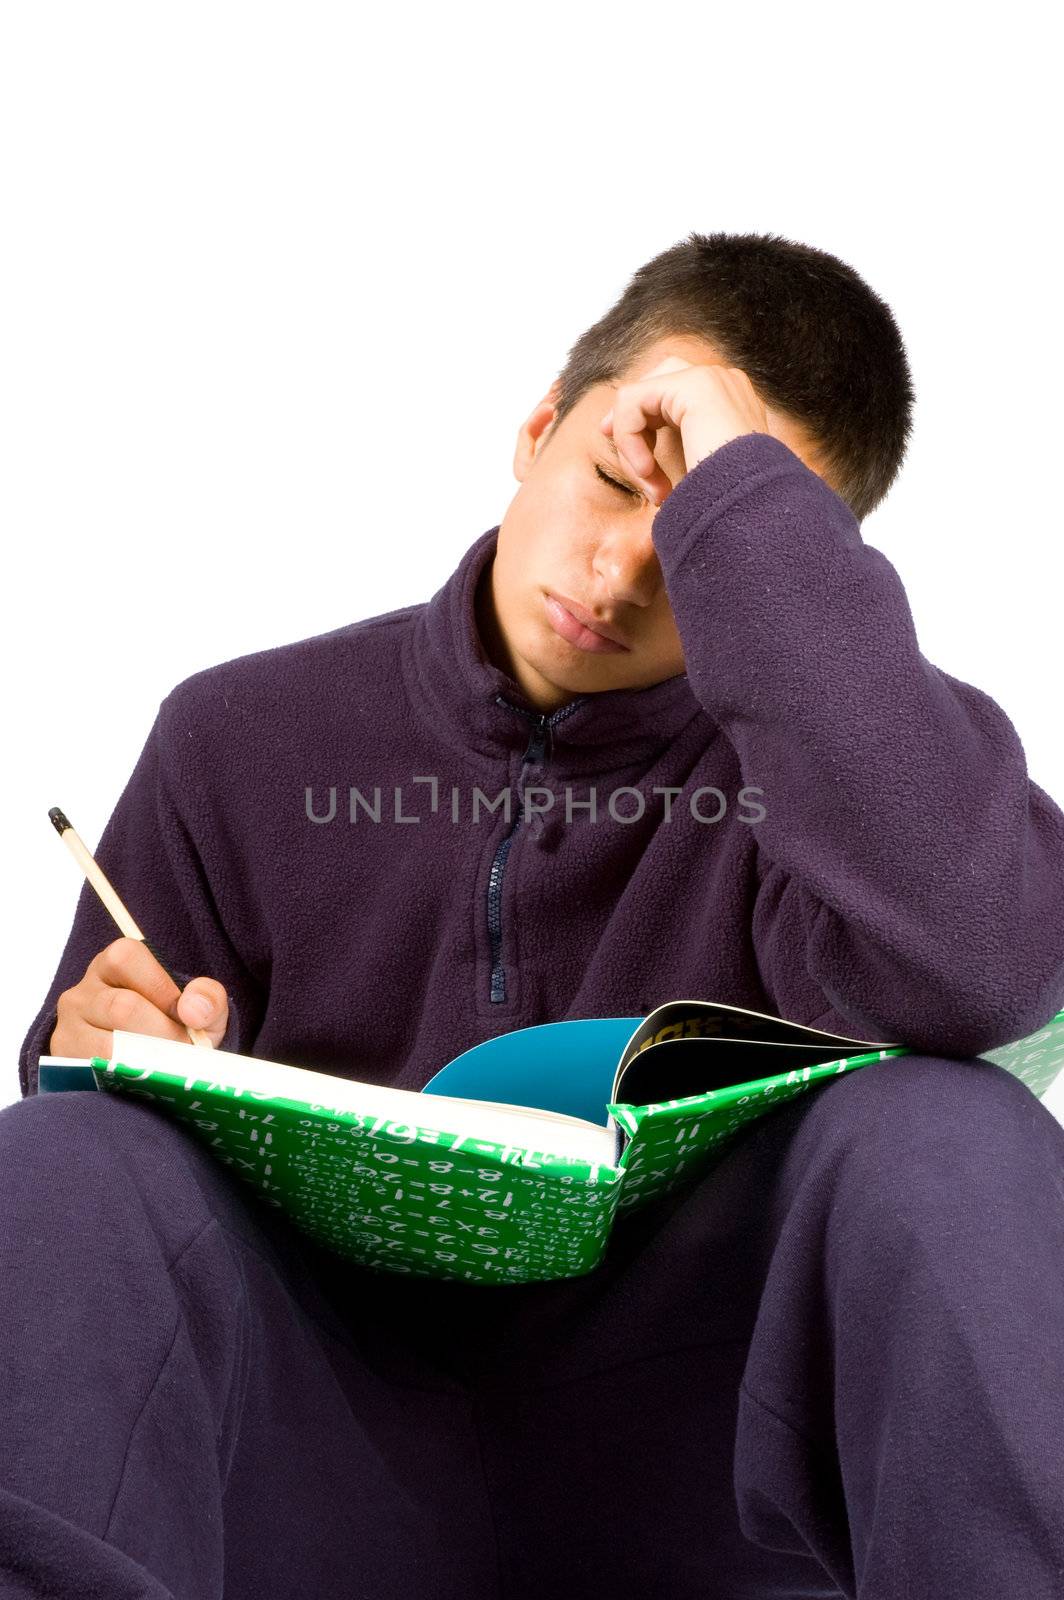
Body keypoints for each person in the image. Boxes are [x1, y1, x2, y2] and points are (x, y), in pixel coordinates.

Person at [6, 230, 1064, 1598]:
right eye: (616, 482)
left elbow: (990, 967)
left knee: (950, 1128)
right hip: (324, 1454)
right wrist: (100, 1050)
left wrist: (744, 511)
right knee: (66, 1159)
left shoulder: (840, 783)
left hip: (716, 1471)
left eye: (694, 541)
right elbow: (91, 1180)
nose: (623, 571)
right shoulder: (237, 736)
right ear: (537, 427)